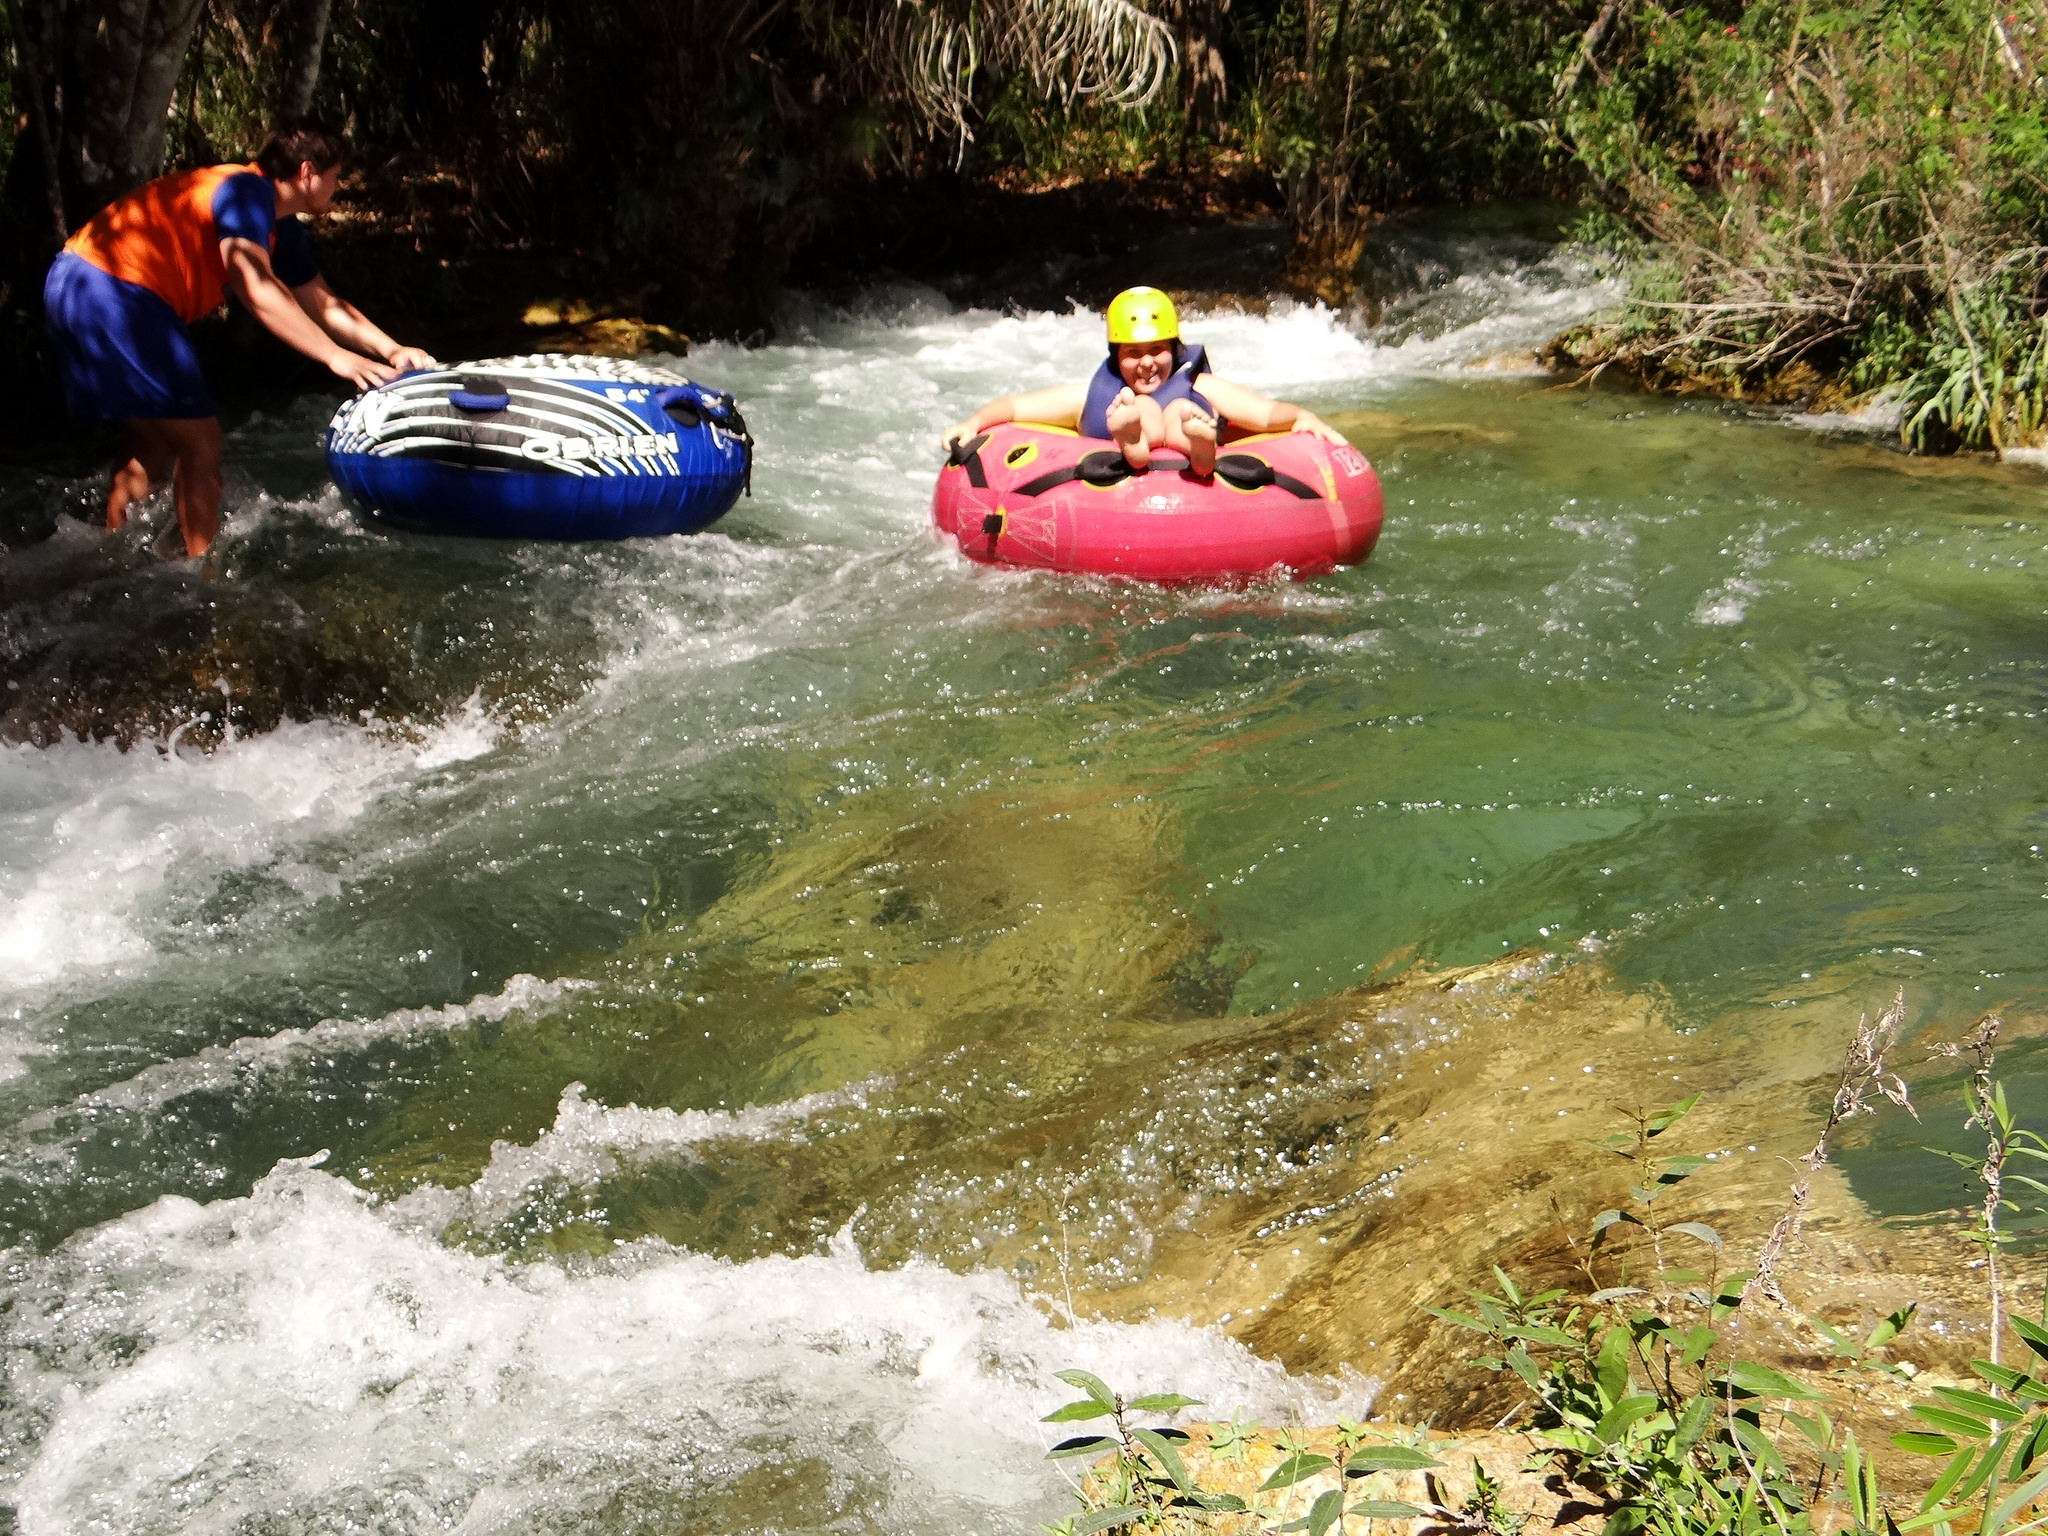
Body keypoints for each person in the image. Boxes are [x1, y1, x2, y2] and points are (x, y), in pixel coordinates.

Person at [43, 117, 437, 557]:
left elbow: (322, 301)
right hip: (113, 291)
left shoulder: (277, 223)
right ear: (307, 173)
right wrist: (335, 357)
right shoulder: (246, 191)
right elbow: (253, 284)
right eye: (335, 176)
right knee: (202, 442)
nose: (338, 185)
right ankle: (200, 576)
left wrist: (390, 348)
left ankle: (108, 552)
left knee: (153, 437)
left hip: (71, 283)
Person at [939, 286, 1345, 478]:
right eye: (1133, 354)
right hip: (1136, 429)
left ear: (1176, 348)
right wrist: (973, 423)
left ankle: (1195, 448)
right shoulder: (1090, 396)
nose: (1147, 363)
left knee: (1181, 412)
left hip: (1183, 428)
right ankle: (1138, 441)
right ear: (1116, 356)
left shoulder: (1199, 386)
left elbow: (1268, 413)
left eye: (1158, 350)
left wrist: (1303, 418)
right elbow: (1014, 408)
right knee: (1148, 410)